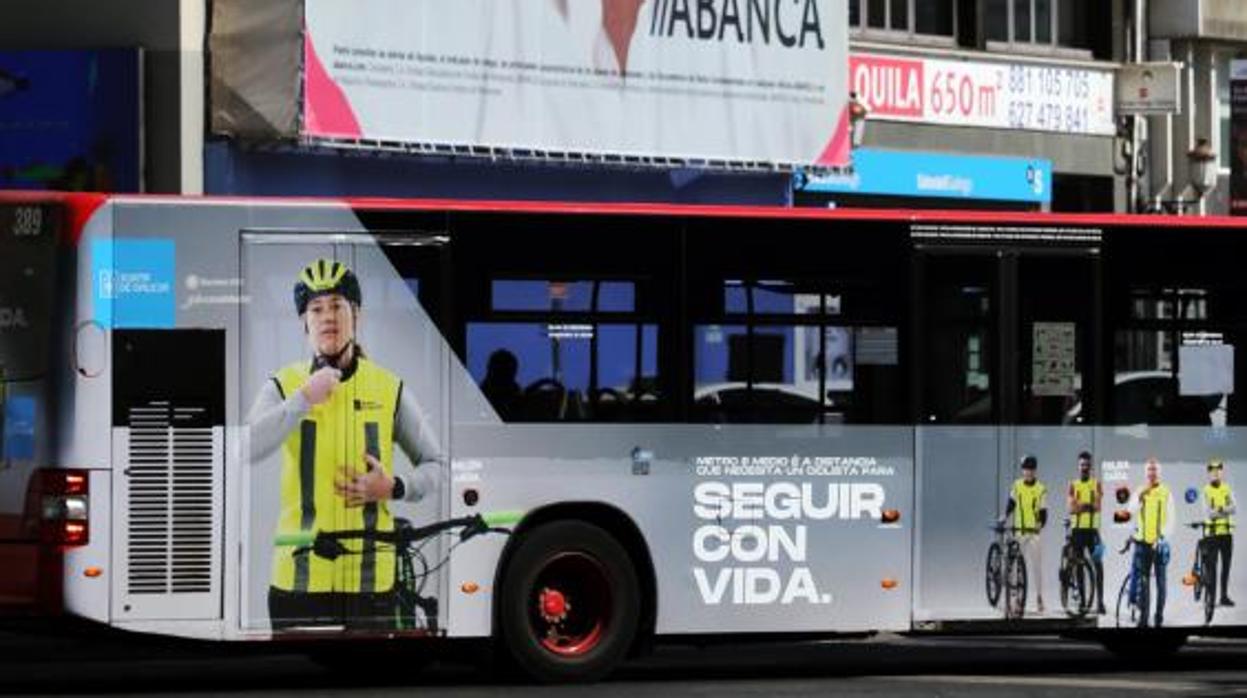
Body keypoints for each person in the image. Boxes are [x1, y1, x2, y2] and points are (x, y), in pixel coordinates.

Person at [247, 258, 443, 630]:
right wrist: (302, 399)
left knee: (368, 688)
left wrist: (395, 486)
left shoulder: (388, 387)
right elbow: (247, 449)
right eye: (316, 308)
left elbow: (437, 465)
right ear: (304, 322)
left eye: (337, 305)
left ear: (357, 315)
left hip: (370, 582)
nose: (327, 316)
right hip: (299, 578)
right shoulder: (284, 385)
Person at [1133, 457, 1174, 628]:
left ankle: (1158, 617)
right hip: (1142, 544)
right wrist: (1138, 499)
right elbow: (1129, 512)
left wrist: (1161, 538)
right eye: (1149, 469)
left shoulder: (1166, 492)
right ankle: (1144, 619)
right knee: (1144, 583)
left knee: (1161, 584)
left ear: (1159, 472)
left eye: (1154, 469)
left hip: (1159, 545)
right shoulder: (1139, 491)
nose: (1152, 473)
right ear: (1145, 472)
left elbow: (1171, 519)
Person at [1005, 455, 1048, 615]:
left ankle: (1039, 597)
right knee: (1015, 566)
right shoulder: (1017, 486)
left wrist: (1039, 525)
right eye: (1025, 469)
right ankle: (1015, 599)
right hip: (1019, 532)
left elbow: (1044, 513)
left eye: (1030, 469)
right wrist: (1005, 516)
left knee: (1037, 567)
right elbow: (1011, 503)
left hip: (1033, 533)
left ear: (1035, 471)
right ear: (1022, 470)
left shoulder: (1040, 488)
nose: (1027, 472)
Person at [1067, 450, 1106, 615]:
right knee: (1079, 567)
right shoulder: (1072, 485)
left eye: (1087, 465)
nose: (1084, 467)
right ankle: (1083, 601)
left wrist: (1080, 506)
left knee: (1098, 566)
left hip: (1092, 532)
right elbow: (1071, 509)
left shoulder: (1096, 484)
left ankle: (1100, 602)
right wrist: (1086, 506)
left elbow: (1097, 507)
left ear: (1091, 466)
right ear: (1078, 466)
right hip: (1077, 532)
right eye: (1082, 464)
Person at [1204, 458, 1236, 607]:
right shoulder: (1206, 490)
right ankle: (1211, 599)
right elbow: (1209, 513)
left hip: (1227, 534)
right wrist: (1224, 509)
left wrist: (1220, 509)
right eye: (1213, 470)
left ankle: (1223, 596)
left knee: (1226, 567)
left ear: (1222, 472)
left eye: (1219, 470)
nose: (1216, 473)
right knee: (1212, 568)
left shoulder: (1227, 488)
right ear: (1209, 473)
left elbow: (1234, 508)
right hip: (1213, 534)